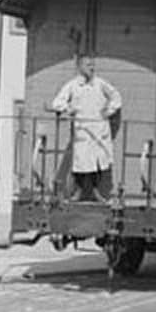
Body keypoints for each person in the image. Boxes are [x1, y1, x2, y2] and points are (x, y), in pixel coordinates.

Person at [50, 54, 122, 202]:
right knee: (81, 163)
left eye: (93, 65)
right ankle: (79, 192)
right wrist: (69, 108)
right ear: (80, 67)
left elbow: (116, 97)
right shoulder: (73, 85)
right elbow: (57, 102)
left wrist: (108, 110)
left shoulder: (101, 84)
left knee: (99, 163)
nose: (92, 67)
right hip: (82, 131)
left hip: (99, 131)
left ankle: (97, 192)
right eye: (88, 65)